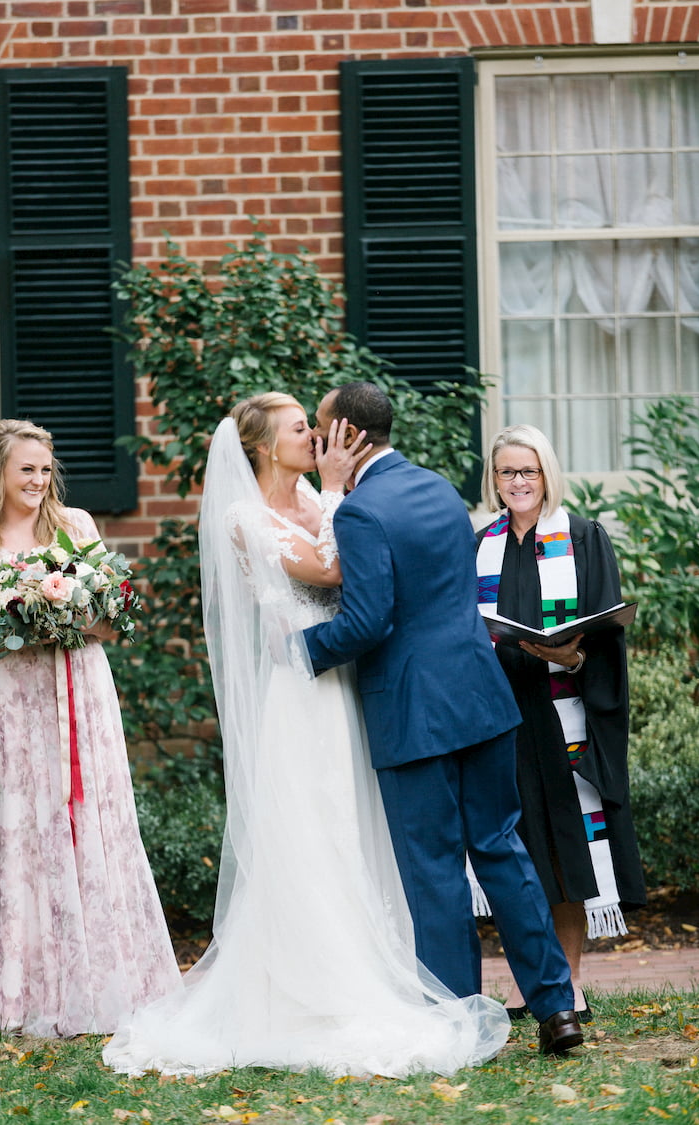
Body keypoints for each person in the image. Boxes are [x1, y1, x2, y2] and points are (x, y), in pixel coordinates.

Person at [103, 392, 511, 1078]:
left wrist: (333, 498)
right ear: (264, 446)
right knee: (312, 828)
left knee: (361, 822)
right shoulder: (246, 516)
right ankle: (312, 987)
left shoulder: (329, 503)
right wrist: (333, 493)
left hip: (350, 688)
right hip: (299, 697)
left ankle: (384, 967)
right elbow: (329, 571)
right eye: (302, 430)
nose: (318, 439)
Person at [303, 382, 583, 1056]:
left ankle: (461, 1023)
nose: (317, 442)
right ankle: (556, 1006)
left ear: (346, 434)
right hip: (482, 699)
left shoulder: (361, 512)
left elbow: (368, 622)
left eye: (321, 429)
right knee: (500, 847)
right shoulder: (438, 489)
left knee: (432, 868)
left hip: (414, 711)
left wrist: (296, 650)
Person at [0, 419, 180, 1037]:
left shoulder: (75, 527)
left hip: (79, 692)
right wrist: (9, 623)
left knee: (90, 820)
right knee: (23, 832)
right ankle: (33, 991)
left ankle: (109, 983)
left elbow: (114, 617)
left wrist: (63, 615)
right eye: (26, 469)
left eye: (46, 469)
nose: (38, 480)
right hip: (11, 706)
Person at [474, 423, 646, 1019]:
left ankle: (568, 980)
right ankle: (535, 981)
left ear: (547, 473)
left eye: (529, 470)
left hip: (566, 713)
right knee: (516, 849)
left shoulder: (581, 537)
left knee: (564, 849)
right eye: (506, 472)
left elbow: (605, 628)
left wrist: (570, 655)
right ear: (493, 480)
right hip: (503, 717)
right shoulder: (481, 542)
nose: (518, 482)